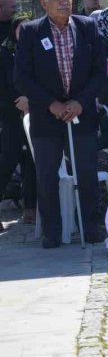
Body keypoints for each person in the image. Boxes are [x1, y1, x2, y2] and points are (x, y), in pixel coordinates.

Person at [14, 0, 107, 248]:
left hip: (82, 113)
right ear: (44, 2)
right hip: (47, 117)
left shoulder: (88, 26)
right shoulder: (31, 32)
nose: (64, 1)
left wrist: (80, 101)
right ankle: (52, 231)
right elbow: (21, 77)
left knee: (87, 171)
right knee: (47, 175)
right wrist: (50, 103)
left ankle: (90, 227)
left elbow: (100, 72)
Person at [0, 15, 36, 224]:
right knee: (8, 159)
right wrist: (18, 100)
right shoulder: (4, 53)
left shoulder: (38, 52)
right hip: (12, 114)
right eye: (20, 29)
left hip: (36, 111)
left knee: (33, 161)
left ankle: (30, 208)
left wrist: (30, 99)